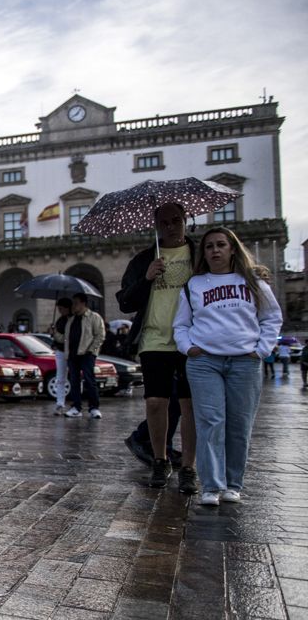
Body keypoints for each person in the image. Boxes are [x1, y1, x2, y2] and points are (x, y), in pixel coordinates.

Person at [174, 226, 282, 506]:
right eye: (209, 246)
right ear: (203, 253)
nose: (215, 250)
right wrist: (188, 348)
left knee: (239, 425)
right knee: (210, 423)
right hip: (204, 361)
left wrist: (261, 350)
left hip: (244, 361)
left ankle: (233, 484)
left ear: (233, 248)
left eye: (221, 244)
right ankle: (211, 485)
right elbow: (181, 325)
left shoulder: (254, 283)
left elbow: (271, 318)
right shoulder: (194, 285)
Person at [117, 202, 198, 493]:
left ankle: (189, 466)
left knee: (190, 407)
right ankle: (160, 459)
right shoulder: (143, 259)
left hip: (192, 340)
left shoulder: (198, 254)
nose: (170, 226)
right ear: (156, 226)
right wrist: (146, 277)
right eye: (163, 222)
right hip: (154, 338)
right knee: (155, 403)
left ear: (186, 220)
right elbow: (125, 301)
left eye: (176, 220)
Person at [63, 292, 105, 418]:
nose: (73, 306)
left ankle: (94, 408)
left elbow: (100, 335)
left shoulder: (94, 317)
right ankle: (76, 407)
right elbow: (66, 338)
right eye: (73, 303)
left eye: (76, 303)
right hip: (73, 354)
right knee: (74, 381)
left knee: (89, 380)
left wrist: (91, 350)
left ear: (83, 303)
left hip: (87, 354)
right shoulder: (71, 319)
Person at [50, 298, 71, 415]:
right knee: (60, 378)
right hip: (61, 351)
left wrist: (56, 334)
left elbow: (64, 338)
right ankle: (60, 402)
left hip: (71, 351)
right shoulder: (60, 320)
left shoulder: (72, 319)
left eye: (61, 309)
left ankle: (74, 403)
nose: (59, 311)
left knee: (73, 377)